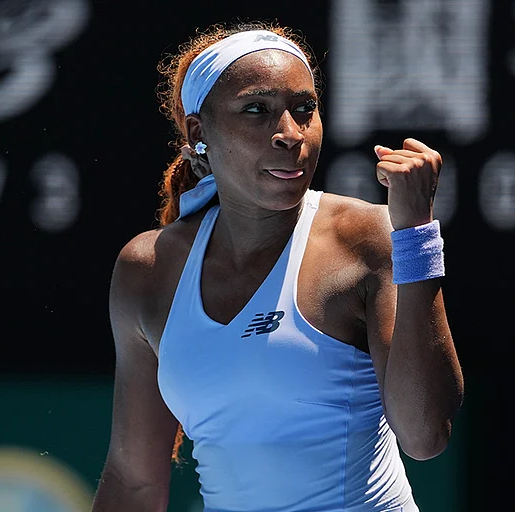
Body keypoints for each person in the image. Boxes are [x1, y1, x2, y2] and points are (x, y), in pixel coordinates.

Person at [91, 19, 464, 512]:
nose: (290, 134)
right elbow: (134, 481)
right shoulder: (146, 269)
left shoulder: (370, 238)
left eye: (304, 109)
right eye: (256, 110)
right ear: (200, 133)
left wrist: (416, 235)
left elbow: (425, 436)